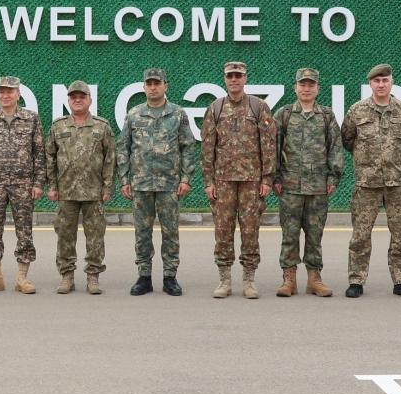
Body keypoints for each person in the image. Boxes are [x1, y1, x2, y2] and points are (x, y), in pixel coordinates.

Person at [341, 64, 401, 299]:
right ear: (370, 84)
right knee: (360, 235)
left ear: (391, 82)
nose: (381, 85)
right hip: (367, 184)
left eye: (385, 80)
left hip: (397, 183)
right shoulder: (357, 111)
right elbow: (348, 139)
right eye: (376, 81)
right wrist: (366, 160)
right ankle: (356, 280)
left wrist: (398, 159)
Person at [117, 68, 200, 296]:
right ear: (144, 87)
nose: (153, 87)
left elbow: (188, 147)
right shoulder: (134, 114)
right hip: (140, 184)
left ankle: (170, 277)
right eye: (149, 83)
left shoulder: (178, 114)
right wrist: (124, 179)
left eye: (157, 83)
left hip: (169, 184)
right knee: (141, 232)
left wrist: (186, 178)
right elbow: (123, 147)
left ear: (166, 85)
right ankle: (144, 276)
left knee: (170, 232)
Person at [201, 61, 276, 299]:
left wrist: (267, 178)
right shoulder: (216, 108)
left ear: (245, 78)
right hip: (222, 181)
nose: (234, 80)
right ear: (225, 79)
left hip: (251, 181)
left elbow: (269, 145)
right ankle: (224, 279)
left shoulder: (258, 107)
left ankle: (249, 279)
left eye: (238, 76)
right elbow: (207, 147)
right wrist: (209, 181)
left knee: (250, 230)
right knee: (223, 230)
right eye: (230, 76)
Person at [0, 75, 46, 293]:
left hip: (23, 184)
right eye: (2, 91)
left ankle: (22, 278)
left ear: (18, 94)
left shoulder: (31, 119)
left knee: (24, 230)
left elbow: (39, 153)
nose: (5, 95)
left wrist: (38, 182)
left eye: (10, 91)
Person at [273, 67, 342, 297]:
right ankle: (288, 279)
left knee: (315, 235)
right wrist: (275, 177)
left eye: (311, 85)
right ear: (296, 87)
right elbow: (274, 147)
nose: (306, 88)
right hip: (290, 186)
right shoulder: (283, 114)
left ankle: (314, 278)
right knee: (289, 234)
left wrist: (334, 176)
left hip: (318, 186)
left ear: (317, 89)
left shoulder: (327, 116)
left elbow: (335, 148)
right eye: (302, 84)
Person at [46, 80, 116, 294]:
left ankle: (93, 277)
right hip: (66, 191)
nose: (77, 100)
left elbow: (110, 158)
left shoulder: (101, 126)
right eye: (73, 97)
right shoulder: (58, 126)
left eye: (81, 96)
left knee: (95, 236)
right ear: (68, 100)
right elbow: (49, 157)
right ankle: (67, 276)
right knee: (65, 235)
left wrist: (107, 187)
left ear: (89, 100)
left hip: (93, 192)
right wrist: (52, 185)